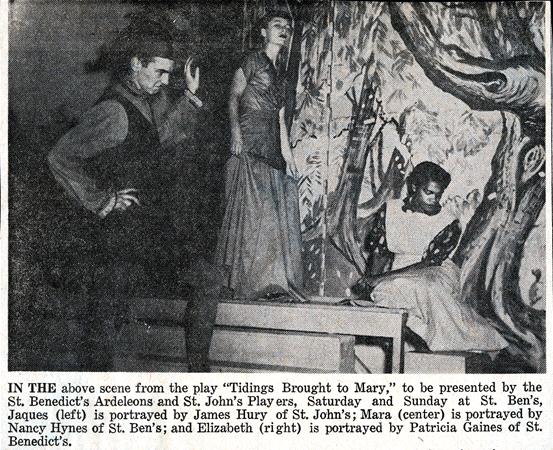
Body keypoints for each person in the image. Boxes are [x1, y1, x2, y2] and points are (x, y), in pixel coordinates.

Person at [48, 14, 219, 371]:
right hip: (120, 241)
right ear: (136, 64)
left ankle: (199, 374)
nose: (165, 81)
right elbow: (60, 157)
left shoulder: (142, 103)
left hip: (150, 234)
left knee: (207, 277)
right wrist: (101, 200)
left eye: (169, 73)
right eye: (160, 72)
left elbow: (158, 143)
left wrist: (188, 97)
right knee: (104, 326)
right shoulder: (113, 110)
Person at [352, 161, 508, 353]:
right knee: (385, 294)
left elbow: (428, 264)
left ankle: (476, 340)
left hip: (435, 271)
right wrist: (370, 281)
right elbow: (380, 252)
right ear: (414, 187)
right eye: (429, 192)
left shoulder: (449, 222)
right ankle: (427, 340)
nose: (433, 199)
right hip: (398, 272)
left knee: (425, 287)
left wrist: (380, 278)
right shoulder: (390, 210)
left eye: (438, 194)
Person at [215, 10, 304, 300]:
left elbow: (280, 119)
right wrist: (235, 134)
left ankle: (268, 284)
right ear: (263, 32)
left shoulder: (282, 72)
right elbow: (233, 97)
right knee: (248, 215)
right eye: (277, 25)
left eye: (287, 27)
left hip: (270, 146)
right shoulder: (252, 59)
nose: (284, 30)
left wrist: (288, 156)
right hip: (249, 140)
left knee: (269, 216)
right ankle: (242, 283)